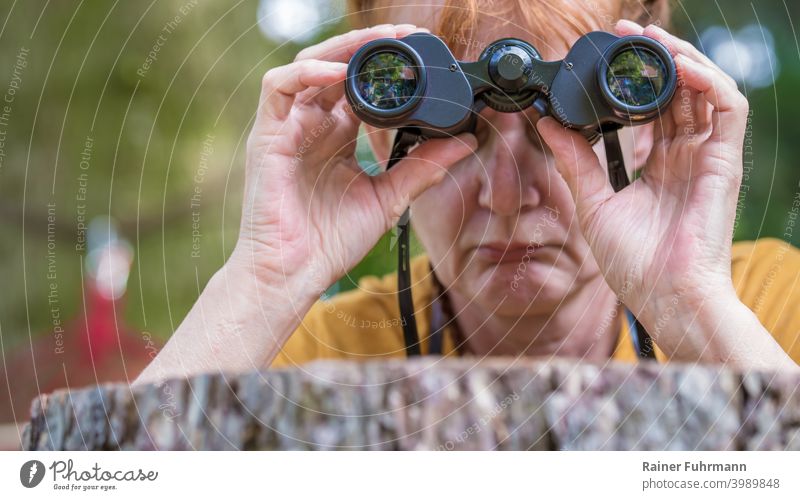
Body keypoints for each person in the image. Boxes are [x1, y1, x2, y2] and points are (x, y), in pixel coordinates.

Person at [135, 0, 800, 385]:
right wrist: (264, 280)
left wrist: (693, 311)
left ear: (651, 122)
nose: (505, 199)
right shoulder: (310, 357)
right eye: (450, 134)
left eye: (560, 132)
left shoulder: (773, 309)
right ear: (377, 138)